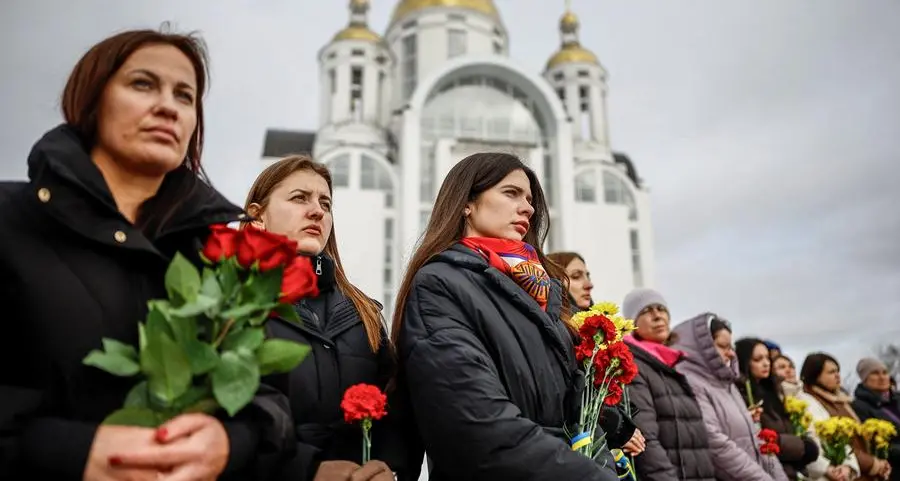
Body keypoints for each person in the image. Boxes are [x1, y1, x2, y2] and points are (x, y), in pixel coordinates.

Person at [0, 28, 293, 480]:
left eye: (185, 96)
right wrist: (73, 451)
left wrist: (231, 442)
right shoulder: (11, 221)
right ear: (92, 100)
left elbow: (267, 394)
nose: (167, 106)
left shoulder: (212, 253)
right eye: (142, 84)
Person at [391, 152, 619, 480]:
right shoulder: (440, 284)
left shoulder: (545, 292)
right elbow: (475, 424)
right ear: (467, 202)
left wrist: (602, 468)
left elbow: (582, 412)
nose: (528, 207)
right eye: (511, 193)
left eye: (529, 199)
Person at [242, 155, 423, 481]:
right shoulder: (229, 305)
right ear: (257, 218)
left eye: (325, 202)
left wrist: (390, 469)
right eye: (300, 198)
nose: (317, 211)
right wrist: (307, 470)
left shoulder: (364, 312)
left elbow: (397, 411)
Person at [547, 251, 645, 460]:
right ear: (555, 279)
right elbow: (580, 392)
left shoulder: (598, 331)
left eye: (587, 275)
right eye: (576, 276)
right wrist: (619, 427)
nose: (588, 285)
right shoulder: (560, 329)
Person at [672, 315, 789, 481]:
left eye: (731, 346)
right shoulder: (691, 382)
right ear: (702, 347)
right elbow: (716, 443)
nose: (731, 353)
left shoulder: (727, 384)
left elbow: (756, 439)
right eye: (723, 346)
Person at [621, 288, 716, 481]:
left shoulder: (672, 366)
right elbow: (645, 438)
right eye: (646, 311)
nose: (657, 316)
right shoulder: (633, 365)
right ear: (632, 322)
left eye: (661, 309)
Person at [735, 338, 819, 480]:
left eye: (767, 358)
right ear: (744, 361)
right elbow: (761, 439)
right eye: (757, 359)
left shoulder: (772, 392)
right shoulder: (742, 395)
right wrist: (802, 447)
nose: (766, 363)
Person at [796, 353, 882, 481]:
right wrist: (872, 464)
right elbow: (839, 442)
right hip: (840, 472)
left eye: (838, 371)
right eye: (831, 372)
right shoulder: (811, 403)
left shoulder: (840, 400)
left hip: (856, 469)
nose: (837, 376)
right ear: (815, 375)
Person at [851, 358, 900, 481]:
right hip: (891, 471)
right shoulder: (859, 406)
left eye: (885, 372)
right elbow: (872, 444)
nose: (882, 377)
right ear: (864, 378)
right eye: (875, 373)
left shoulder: (897, 399)